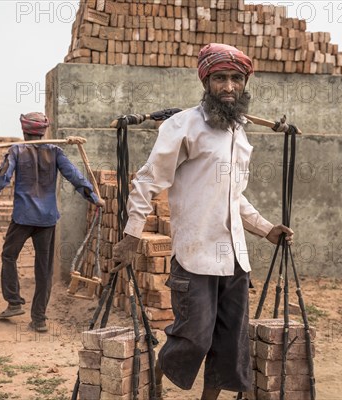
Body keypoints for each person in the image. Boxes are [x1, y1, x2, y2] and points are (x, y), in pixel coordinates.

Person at [112, 43, 295, 400]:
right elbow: (148, 181)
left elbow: (233, 197)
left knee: (229, 342)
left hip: (235, 259)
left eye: (236, 79)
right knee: (194, 335)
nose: (229, 87)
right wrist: (131, 235)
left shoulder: (238, 133)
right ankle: (155, 383)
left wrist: (266, 229)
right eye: (221, 78)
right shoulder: (184, 126)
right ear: (206, 81)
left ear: (244, 83)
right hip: (195, 254)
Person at [0, 112, 105, 333]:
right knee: (44, 269)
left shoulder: (16, 150)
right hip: (47, 218)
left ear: (24, 131)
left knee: (8, 255)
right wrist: (94, 197)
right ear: (44, 131)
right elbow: (74, 176)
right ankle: (39, 318)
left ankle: (14, 301)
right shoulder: (56, 152)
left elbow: (2, 179)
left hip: (23, 217)